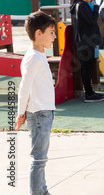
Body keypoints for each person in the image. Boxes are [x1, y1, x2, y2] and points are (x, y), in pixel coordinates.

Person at [15, 11, 57, 194]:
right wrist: (21, 113)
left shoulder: (38, 55)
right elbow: (24, 88)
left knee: (41, 159)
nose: (54, 36)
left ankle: (42, 190)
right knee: (38, 159)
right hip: (39, 114)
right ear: (38, 34)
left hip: (44, 112)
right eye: (51, 32)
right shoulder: (33, 57)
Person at [70, 0, 104, 103]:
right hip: (86, 41)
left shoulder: (76, 5)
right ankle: (89, 94)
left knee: (87, 66)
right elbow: (92, 20)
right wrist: (96, 8)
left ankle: (89, 92)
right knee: (87, 66)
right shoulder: (82, 5)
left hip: (83, 41)